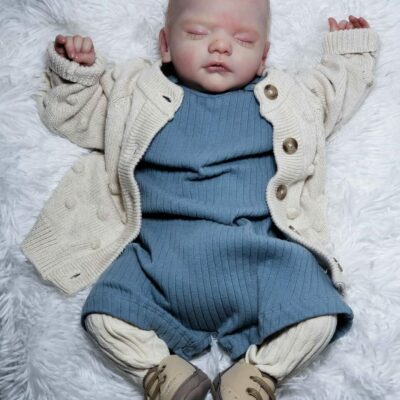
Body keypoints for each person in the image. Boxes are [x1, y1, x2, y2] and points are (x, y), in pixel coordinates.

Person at [20, 0, 379, 398]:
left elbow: (330, 94)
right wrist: (76, 72)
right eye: (197, 33)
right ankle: (160, 371)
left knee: (321, 315)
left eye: (243, 39)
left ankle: (258, 373)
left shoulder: (288, 99)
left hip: (262, 261)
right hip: (158, 261)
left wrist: (349, 53)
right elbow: (76, 115)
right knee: (103, 314)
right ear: (165, 45)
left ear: (263, 58)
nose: (221, 46)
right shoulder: (135, 93)